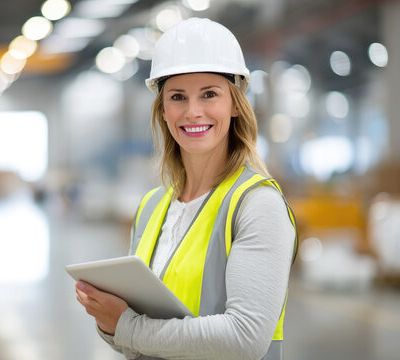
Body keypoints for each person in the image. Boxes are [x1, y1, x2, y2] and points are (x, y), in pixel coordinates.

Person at [75, 17, 298, 360]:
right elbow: (131, 338)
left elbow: (245, 339)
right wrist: (109, 321)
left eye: (209, 94)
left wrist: (125, 326)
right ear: (163, 110)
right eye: (178, 97)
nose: (193, 112)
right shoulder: (151, 207)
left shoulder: (256, 205)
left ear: (235, 104)